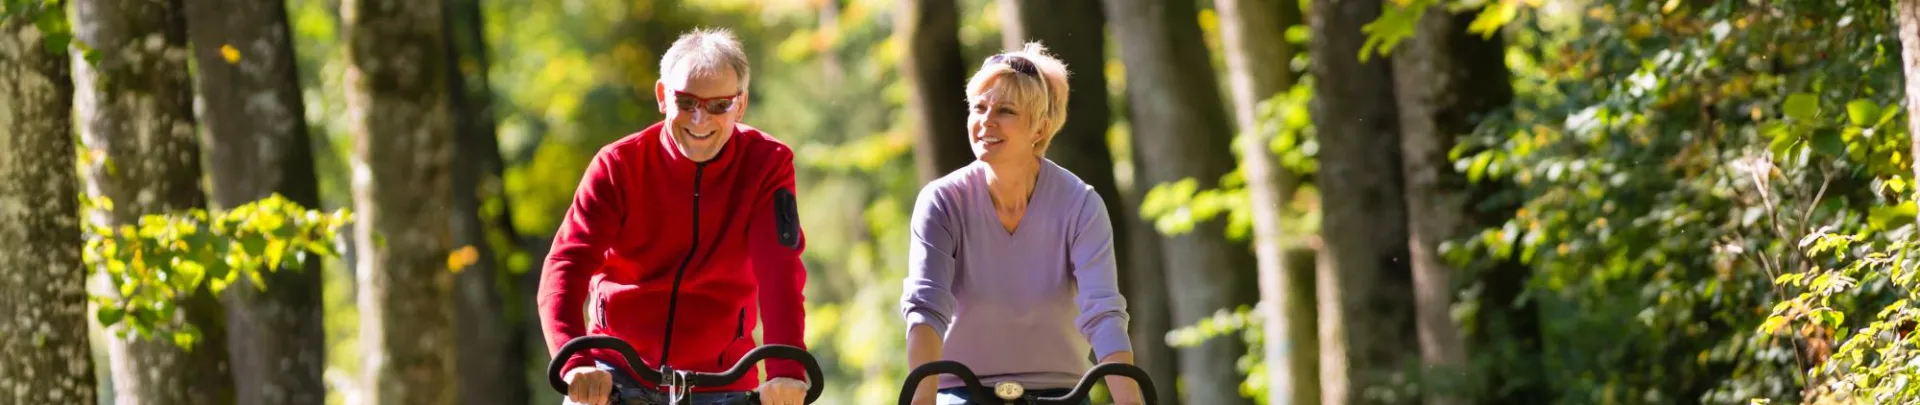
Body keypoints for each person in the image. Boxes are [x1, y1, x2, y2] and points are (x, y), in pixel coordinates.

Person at [539, 27, 812, 405]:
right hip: (616, 373)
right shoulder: (618, 164)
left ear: (741, 104)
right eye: (686, 102)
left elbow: (780, 272)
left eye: (719, 105)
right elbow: (566, 263)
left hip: (722, 381)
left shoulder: (767, 163)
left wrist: (786, 371)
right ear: (662, 96)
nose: (700, 120)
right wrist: (575, 360)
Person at [899, 41, 1145, 405]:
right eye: (980, 107)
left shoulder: (1080, 204)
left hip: (1061, 394)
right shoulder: (942, 201)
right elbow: (926, 308)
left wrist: (1131, 401)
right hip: (962, 391)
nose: (986, 121)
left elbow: (1103, 314)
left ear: (1040, 129)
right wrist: (922, 400)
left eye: (1006, 110)